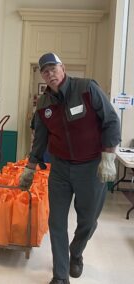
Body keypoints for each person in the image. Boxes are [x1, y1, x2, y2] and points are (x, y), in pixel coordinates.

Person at [19, 53, 121, 284]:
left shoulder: (86, 88)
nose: (50, 74)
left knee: (88, 221)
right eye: (45, 71)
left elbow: (111, 120)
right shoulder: (44, 104)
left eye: (53, 68)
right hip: (61, 170)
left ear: (62, 68)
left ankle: (76, 252)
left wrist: (108, 156)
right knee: (56, 222)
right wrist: (31, 167)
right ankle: (60, 276)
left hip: (92, 168)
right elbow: (40, 139)